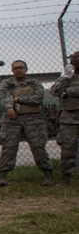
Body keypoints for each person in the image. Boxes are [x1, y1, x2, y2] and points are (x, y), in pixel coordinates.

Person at [0, 60, 53, 186]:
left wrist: (17, 99)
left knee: (38, 146)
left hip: (34, 119)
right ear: (12, 70)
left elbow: (37, 99)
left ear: (26, 69)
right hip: (12, 120)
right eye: (15, 68)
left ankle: (48, 174)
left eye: (21, 68)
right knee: (9, 147)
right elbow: (4, 98)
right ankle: (2, 176)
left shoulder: (35, 83)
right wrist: (10, 108)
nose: (18, 70)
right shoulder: (7, 83)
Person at [50, 51, 79, 185]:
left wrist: (68, 91)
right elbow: (54, 91)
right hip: (69, 117)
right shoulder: (67, 78)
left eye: (77, 58)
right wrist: (66, 76)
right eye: (72, 59)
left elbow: (63, 92)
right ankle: (66, 177)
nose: (74, 61)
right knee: (68, 148)